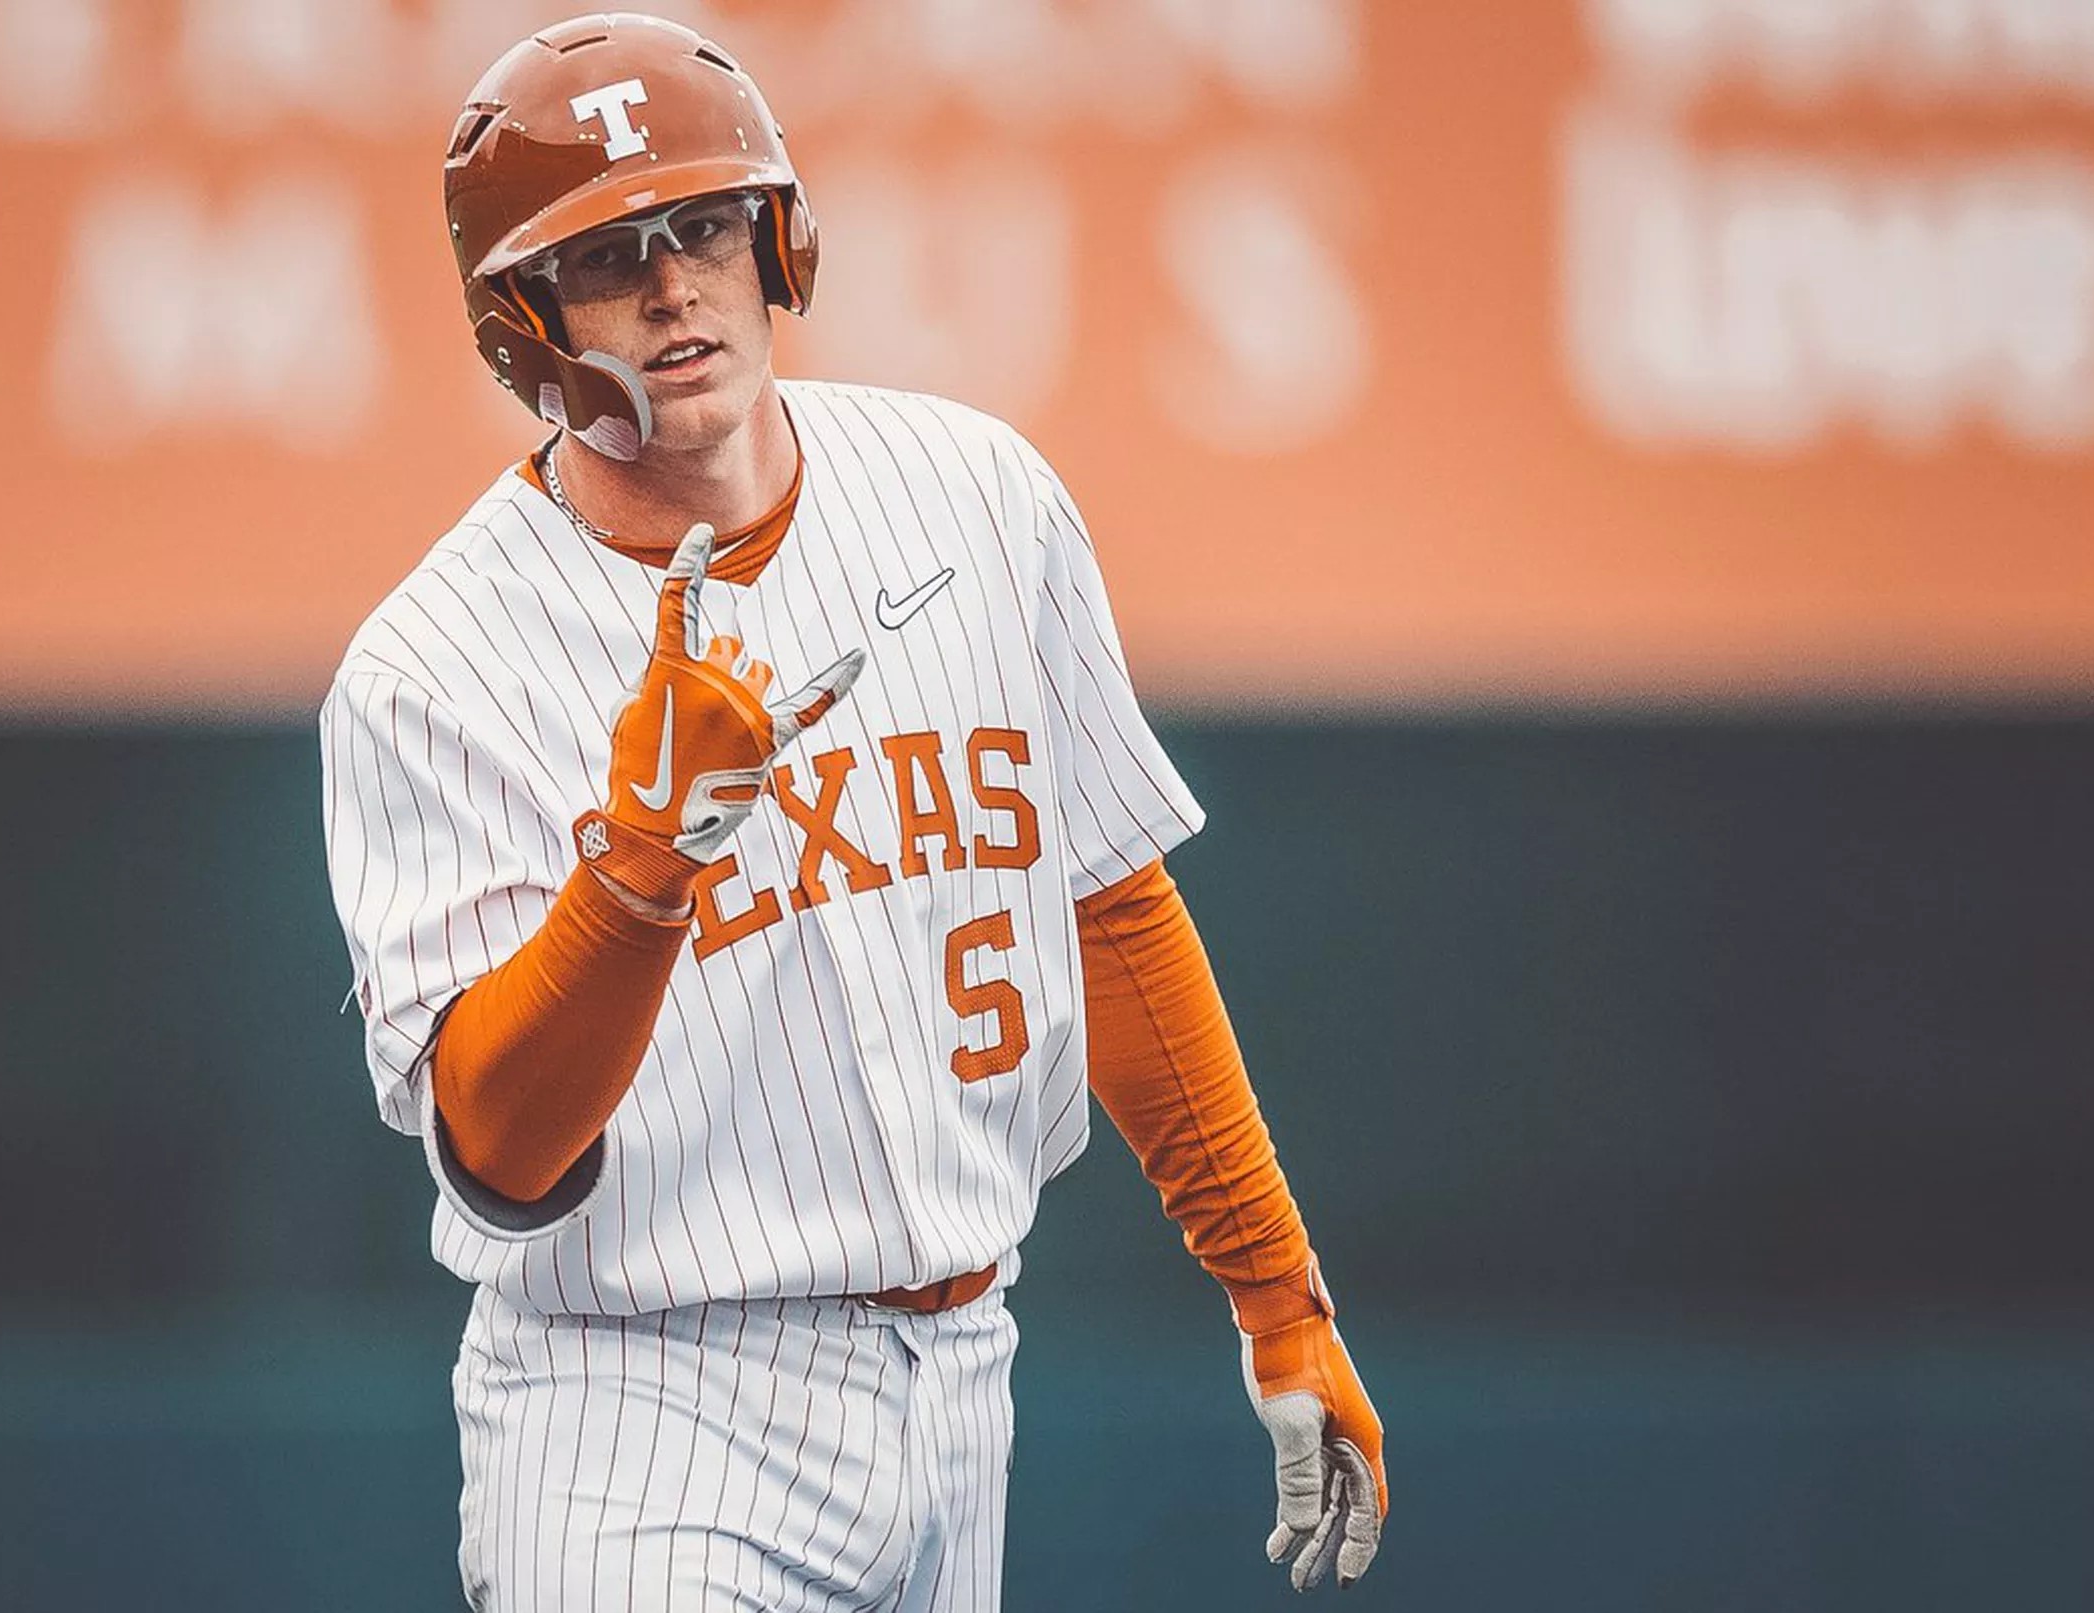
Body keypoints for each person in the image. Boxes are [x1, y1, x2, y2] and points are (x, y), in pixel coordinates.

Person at [319, 14, 1386, 1610]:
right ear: (522, 328)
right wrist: (640, 871)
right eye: (609, 256)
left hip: (964, 1370)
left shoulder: (979, 495)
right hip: (639, 1410)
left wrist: (1278, 1290)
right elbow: (498, 1152)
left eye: (703, 224)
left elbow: (1104, 906)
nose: (675, 286)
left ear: (777, 241)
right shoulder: (432, 666)